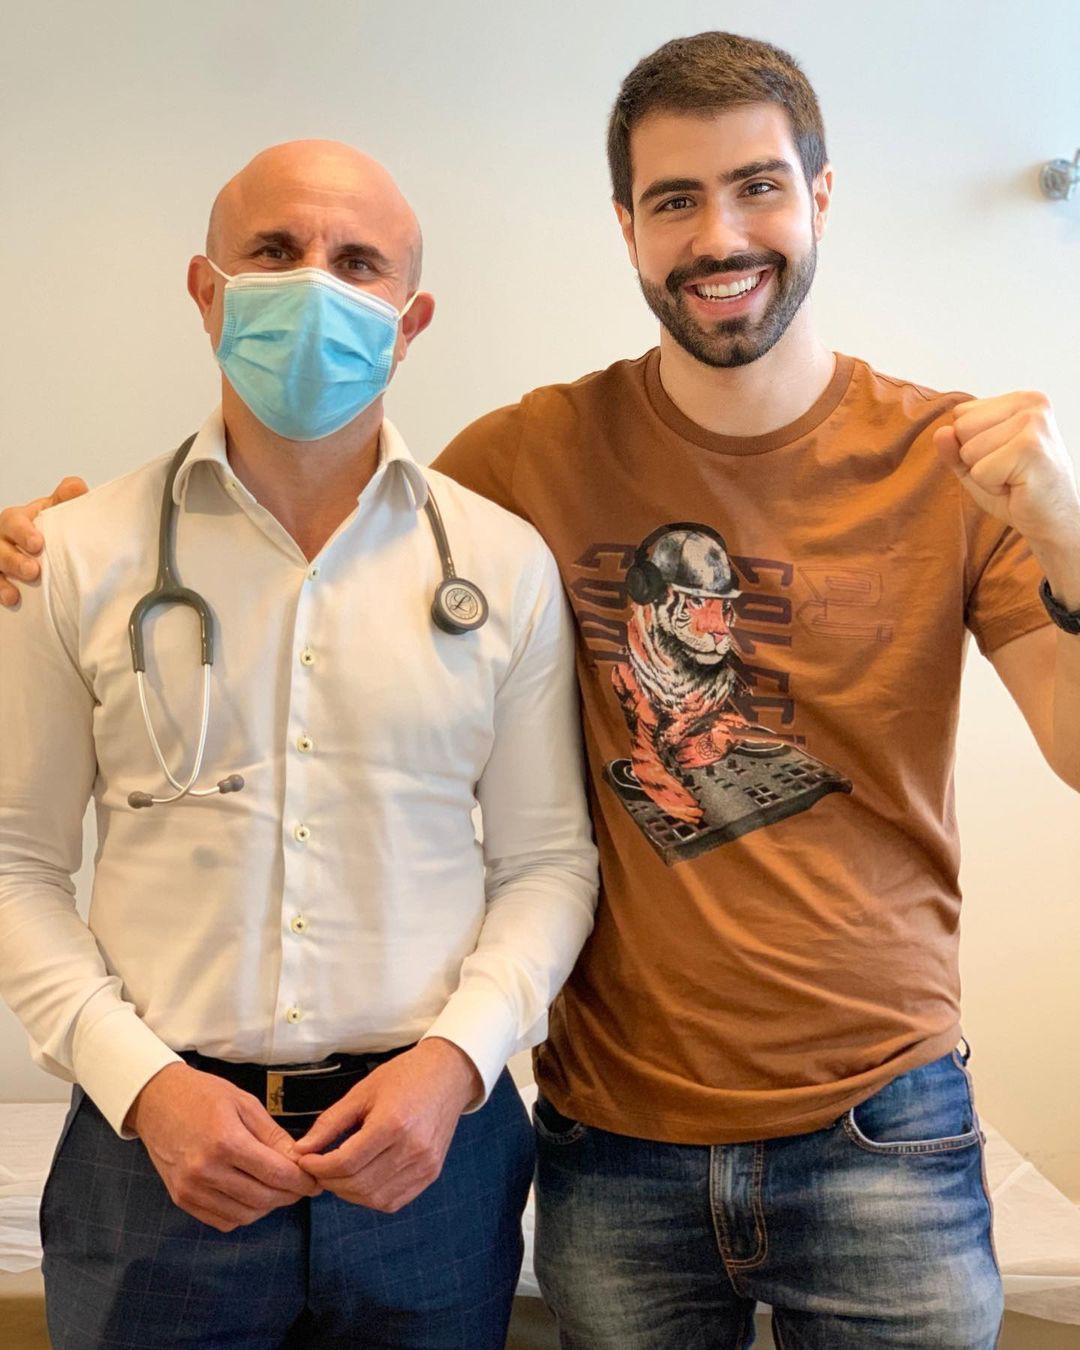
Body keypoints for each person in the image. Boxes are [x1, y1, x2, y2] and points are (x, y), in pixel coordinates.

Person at [4, 30, 1080, 1350]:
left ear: (819, 195)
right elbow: (320, 524)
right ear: (627, 227)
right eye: (674, 199)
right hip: (616, 1136)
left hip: (879, 1121)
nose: (718, 235)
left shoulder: (950, 461)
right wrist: (59, 550)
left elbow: (1074, 746)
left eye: (756, 186)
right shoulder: (526, 464)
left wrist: (1070, 532)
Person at [0, 139, 598, 1350]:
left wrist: (457, 1065)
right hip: (154, 1154)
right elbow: (16, 862)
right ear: (206, 291)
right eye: (274, 252)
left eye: (358, 262)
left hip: (430, 1148)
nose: (315, 284)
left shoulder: (501, 565)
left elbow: (548, 863)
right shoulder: (74, 558)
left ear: (410, 320)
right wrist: (143, 1084)